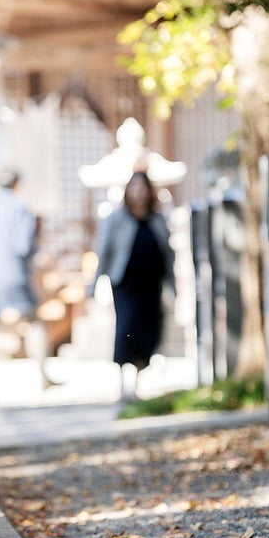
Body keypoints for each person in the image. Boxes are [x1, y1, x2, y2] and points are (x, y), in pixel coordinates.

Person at [91, 171, 175, 400]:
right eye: (135, 187)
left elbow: (168, 254)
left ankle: (137, 381)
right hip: (125, 282)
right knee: (127, 326)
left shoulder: (157, 220)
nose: (139, 192)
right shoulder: (116, 218)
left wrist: (173, 284)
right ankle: (122, 383)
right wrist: (94, 283)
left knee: (149, 328)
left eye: (143, 187)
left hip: (151, 283)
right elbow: (104, 250)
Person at [0, 170, 52, 387]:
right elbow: (24, 246)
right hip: (16, 273)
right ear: (17, 183)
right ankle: (43, 376)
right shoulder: (21, 209)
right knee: (34, 323)